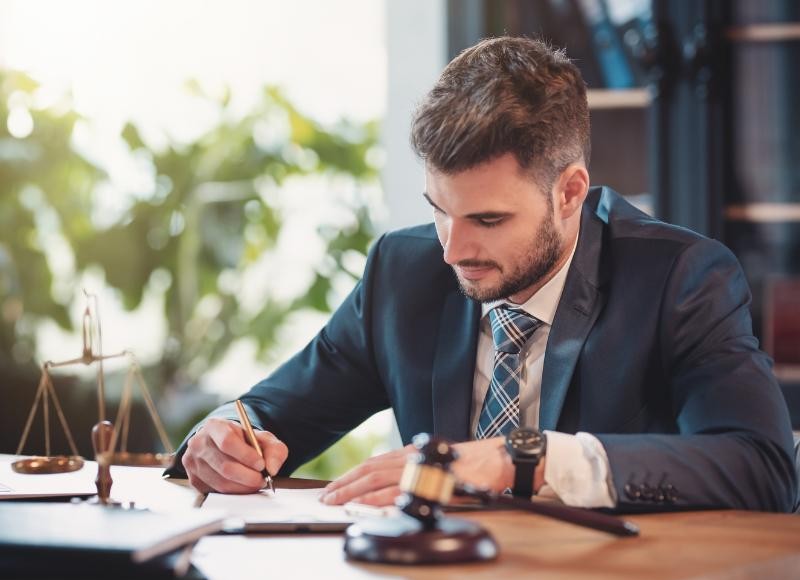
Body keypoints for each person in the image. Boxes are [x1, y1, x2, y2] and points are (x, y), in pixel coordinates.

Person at [165, 36, 797, 513]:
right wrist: (222, 438)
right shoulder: (403, 271)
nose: (452, 250)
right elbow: (271, 413)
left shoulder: (679, 279)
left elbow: (763, 468)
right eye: (439, 211)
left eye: (488, 220)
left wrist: (522, 460)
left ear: (570, 192)